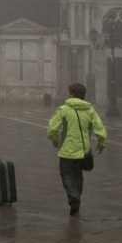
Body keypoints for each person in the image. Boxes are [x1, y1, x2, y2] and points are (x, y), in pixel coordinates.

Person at [47, 82, 107, 216]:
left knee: (66, 174)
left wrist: (55, 140)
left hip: (67, 150)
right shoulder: (90, 110)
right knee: (78, 175)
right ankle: (77, 197)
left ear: (72, 94)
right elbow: (99, 128)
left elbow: (52, 128)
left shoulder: (64, 109)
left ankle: (74, 197)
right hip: (83, 150)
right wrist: (101, 142)